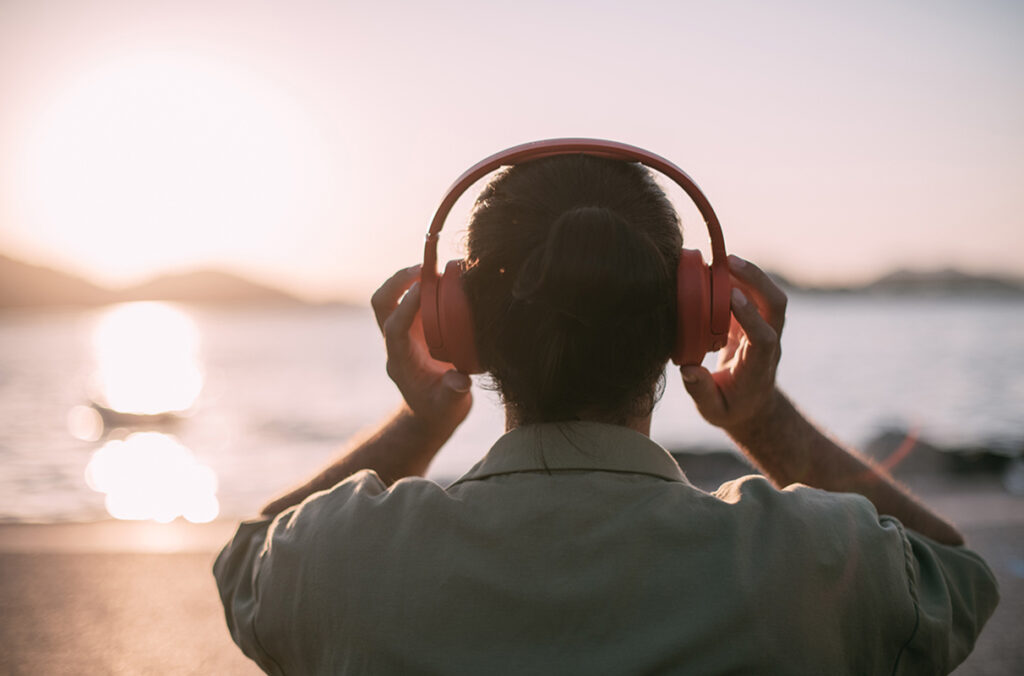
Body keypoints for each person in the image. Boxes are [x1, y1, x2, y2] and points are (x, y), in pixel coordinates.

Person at [215, 153, 999, 675]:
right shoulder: (810, 563)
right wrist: (761, 420)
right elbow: (957, 576)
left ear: (459, 325)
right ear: (693, 317)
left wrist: (425, 417)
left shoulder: (342, 559)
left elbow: (246, 560)